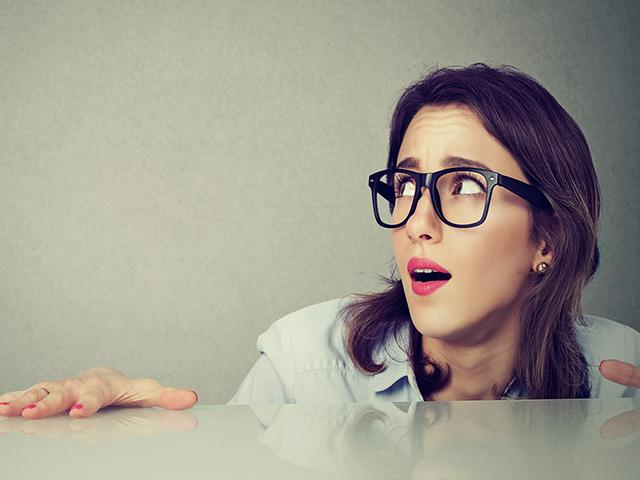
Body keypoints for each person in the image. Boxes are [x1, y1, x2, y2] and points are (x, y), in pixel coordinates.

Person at [1, 64, 638, 419]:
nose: (419, 220)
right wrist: (142, 445)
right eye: (407, 184)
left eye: (465, 185)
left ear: (548, 238)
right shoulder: (306, 367)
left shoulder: (622, 382)